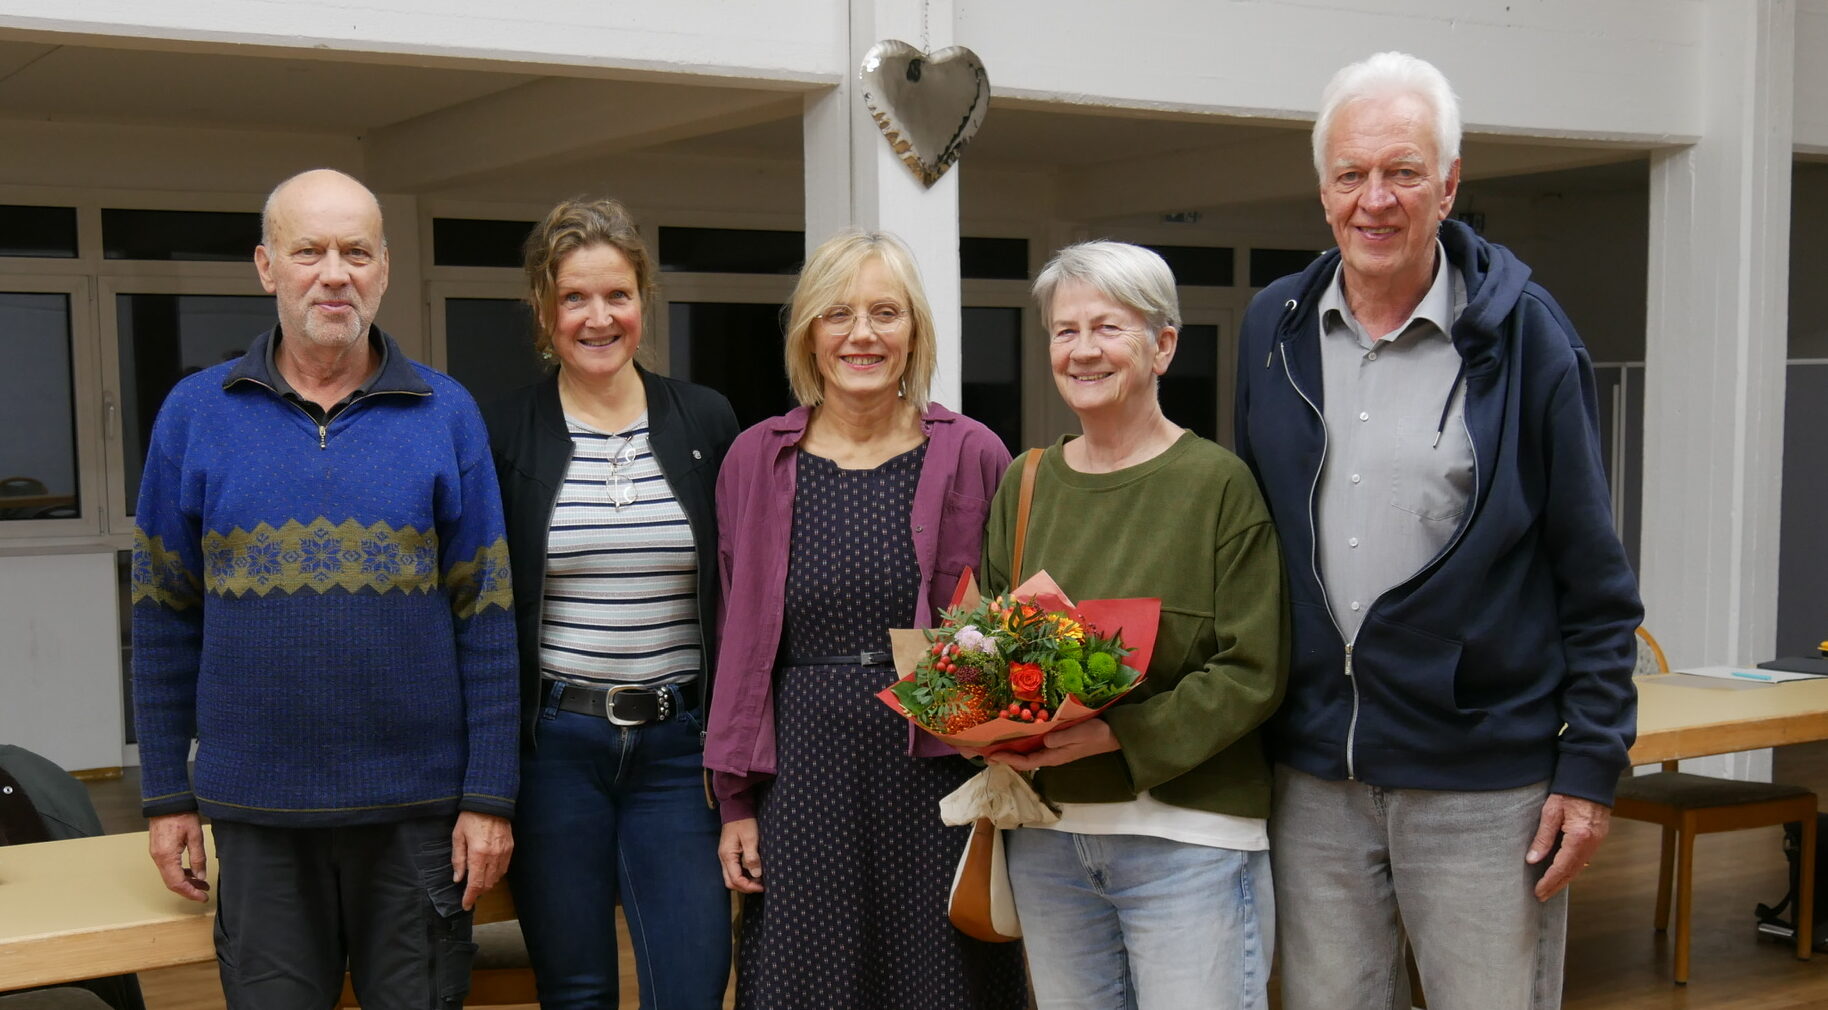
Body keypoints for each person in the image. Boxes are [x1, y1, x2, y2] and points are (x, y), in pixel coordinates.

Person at [1233, 52, 1643, 1010]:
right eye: (1352, 174)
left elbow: (1593, 577)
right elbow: (1253, 542)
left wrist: (1591, 766)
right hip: (1314, 777)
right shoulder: (1271, 328)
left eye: (1404, 172)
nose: (1375, 199)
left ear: (1450, 185)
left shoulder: (1530, 336)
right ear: (1324, 191)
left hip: (1483, 788)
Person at [131, 168, 518, 1009]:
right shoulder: (195, 414)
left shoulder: (447, 414)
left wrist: (490, 797)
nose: (334, 274)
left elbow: (486, 618)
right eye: (310, 251)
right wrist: (165, 798)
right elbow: (162, 617)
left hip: (417, 818)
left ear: (384, 269)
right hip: (257, 816)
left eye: (356, 252)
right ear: (266, 266)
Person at [703, 230, 1027, 1009]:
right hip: (800, 771)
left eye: (886, 312)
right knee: (804, 984)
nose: (862, 334)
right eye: (838, 313)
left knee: (943, 986)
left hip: (941, 773)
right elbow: (733, 645)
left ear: (914, 330)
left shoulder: (975, 453)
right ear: (808, 333)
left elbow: (1011, 627)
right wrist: (735, 802)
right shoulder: (754, 460)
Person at [976, 240, 1288, 1010]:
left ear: (1163, 346)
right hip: (1047, 840)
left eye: (1107, 328)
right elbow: (990, 645)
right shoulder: (1026, 482)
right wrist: (980, 716)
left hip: (1190, 844)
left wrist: (1119, 733)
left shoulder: (1218, 485)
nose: (1082, 350)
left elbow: (1254, 671)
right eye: (1065, 330)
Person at [483, 197, 738, 1009]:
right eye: (575, 298)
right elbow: (483, 615)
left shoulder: (705, 420)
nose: (599, 318)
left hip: (680, 752)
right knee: (577, 991)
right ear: (543, 309)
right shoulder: (505, 432)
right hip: (556, 751)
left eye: (617, 295)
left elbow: (741, 590)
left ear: (643, 300)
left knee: (692, 986)